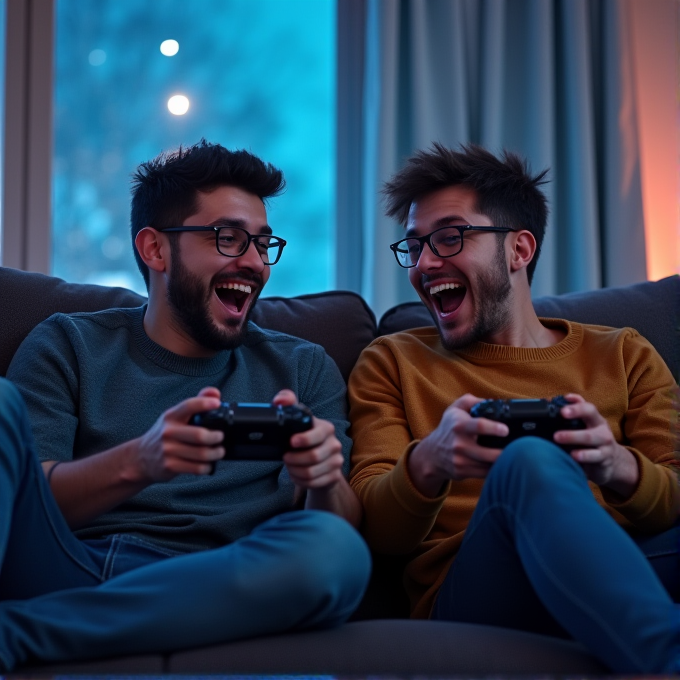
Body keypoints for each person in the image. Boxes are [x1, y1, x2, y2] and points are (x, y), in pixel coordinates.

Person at [0, 140, 370, 671]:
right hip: (72, 564)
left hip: (223, 580)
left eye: (263, 244)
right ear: (155, 250)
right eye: (228, 238)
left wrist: (322, 478)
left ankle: (18, 634)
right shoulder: (68, 344)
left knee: (337, 551)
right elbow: (25, 505)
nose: (255, 263)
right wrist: (141, 461)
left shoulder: (303, 366)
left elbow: (337, 525)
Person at [347, 143, 680, 673]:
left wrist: (615, 465)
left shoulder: (623, 353)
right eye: (414, 246)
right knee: (529, 462)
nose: (427, 262)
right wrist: (429, 461)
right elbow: (377, 531)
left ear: (519, 250)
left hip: (627, 566)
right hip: (478, 595)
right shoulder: (392, 361)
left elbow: (673, 498)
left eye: (450, 237)